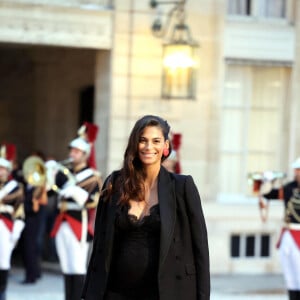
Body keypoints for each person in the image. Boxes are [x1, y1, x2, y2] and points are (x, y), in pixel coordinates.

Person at [82, 115, 210, 300]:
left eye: (156, 141)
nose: (149, 147)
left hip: (167, 292)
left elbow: (201, 250)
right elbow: (100, 246)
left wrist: (203, 296)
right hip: (116, 291)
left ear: (166, 146)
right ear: (135, 144)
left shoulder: (182, 187)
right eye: (143, 140)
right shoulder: (115, 183)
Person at [50, 131, 102, 300]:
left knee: (77, 267)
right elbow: (50, 194)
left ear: (85, 154)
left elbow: (94, 201)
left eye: (76, 152)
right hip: (62, 221)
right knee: (66, 268)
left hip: (79, 222)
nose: (72, 154)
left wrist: (75, 192)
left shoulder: (92, 176)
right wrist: (48, 177)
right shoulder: (62, 173)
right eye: (71, 151)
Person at [259, 158, 300, 300]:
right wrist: (268, 181)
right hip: (287, 234)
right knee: (290, 277)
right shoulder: (289, 187)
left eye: (299, 170)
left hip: (299, 235)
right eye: (296, 169)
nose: (296, 172)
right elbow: (269, 194)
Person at [0, 144, 25, 300]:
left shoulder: (15, 187)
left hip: (5, 226)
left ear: (8, 170)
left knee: (3, 261)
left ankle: (2, 291)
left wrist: (15, 233)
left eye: (2, 168)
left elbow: (20, 212)